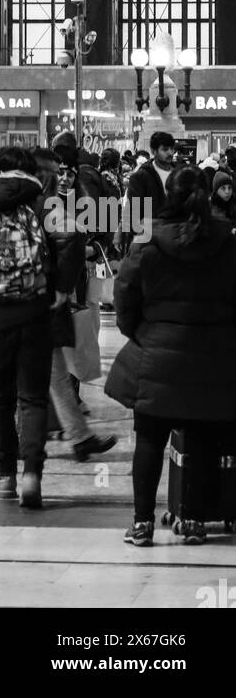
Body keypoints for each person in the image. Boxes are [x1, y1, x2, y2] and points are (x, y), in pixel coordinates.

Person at [106, 165, 236, 546]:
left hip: (155, 357)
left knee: (148, 441)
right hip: (212, 359)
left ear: (168, 196)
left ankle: (142, 524)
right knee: (204, 442)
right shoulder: (228, 240)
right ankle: (194, 520)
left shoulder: (147, 238)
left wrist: (143, 334)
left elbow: (124, 298)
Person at [0, 145, 84, 509]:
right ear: (30, 173)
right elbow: (73, 238)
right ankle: (32, 476)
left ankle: (5, 478)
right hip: (36, 312)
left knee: (0, 398)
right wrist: (58, 289)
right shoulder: (44, 205)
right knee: (32, 397)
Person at [43, 146, 118, 463]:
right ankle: (23, 441)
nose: (64, 179)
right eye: (59, 173)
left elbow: (103, 235)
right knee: (47, 371)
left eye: (69, 174)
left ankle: (71, 434)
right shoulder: (42, 206)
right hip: (48, 296)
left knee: (59, 367)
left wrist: (92, 247)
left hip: (68, 292)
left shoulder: (84, 201)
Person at [120, 131, 175, 256]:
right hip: (150, 242)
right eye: (165, 149)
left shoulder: (178, 174)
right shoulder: (141, 177)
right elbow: (135, 211)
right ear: (154, 151)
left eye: (171, 149)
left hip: (174, 239)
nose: (170, 153)